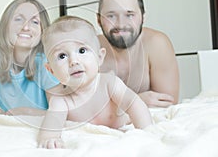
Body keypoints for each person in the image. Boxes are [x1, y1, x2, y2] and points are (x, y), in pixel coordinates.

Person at [38, 15, 153, 149]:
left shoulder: (109, 83)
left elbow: (135, 104)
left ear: (99, 57)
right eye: (62, 56)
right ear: (51, 70)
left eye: (82, 50)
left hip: (120, 124)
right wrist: (50, 138)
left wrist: (147, 132)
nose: (73, 61)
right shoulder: (60, 100)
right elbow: (51, 126)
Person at [0, 0, 59, 115]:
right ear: (6, 26)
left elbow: (60, 113)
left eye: (35, 22)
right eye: (18, 19)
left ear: (42, 31)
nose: (25, 27)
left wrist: (28, 112)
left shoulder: (47, 63)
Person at [97, 0, 179, 107]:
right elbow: (79, 106)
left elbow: (167, 103)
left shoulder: (156, 44)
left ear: (143, 17)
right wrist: (134, 102)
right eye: (111, 16)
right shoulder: (90, 48)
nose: (121, 24)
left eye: (129, 15)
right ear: (99, 20)